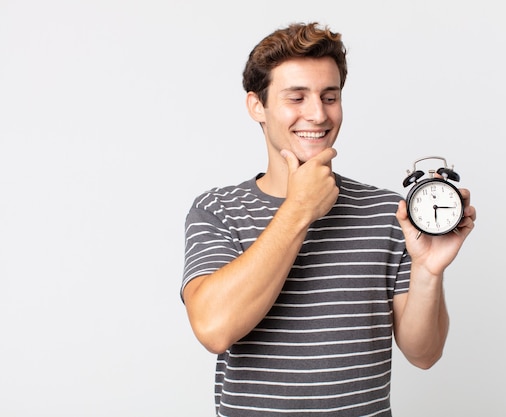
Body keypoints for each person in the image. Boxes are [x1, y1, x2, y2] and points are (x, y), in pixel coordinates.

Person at [181, 22, 476, 416]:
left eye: (329, 96)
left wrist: (427, 269)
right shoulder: (218, 210)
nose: (317, 114)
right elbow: (214, 329)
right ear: (257, 106)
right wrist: (299, 209)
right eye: (296, 97)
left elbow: (424, 354)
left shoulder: (387, 212)